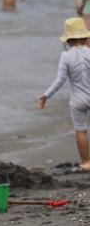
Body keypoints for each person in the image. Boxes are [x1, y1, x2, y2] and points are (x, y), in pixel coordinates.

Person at [39, 17, 90, 172]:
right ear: (85, 36)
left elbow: (60, 81)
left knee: (80, 130)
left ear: (68, 39)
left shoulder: (66, 56)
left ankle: (86, 162)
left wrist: (46, 95)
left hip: (77, 100)